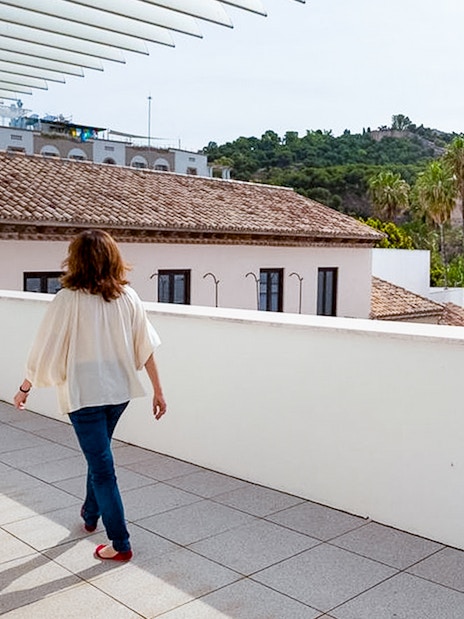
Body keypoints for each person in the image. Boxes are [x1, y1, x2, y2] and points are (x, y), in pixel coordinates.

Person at [13, 229, 167, 562]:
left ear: (76, 259)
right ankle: (89, 514)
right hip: (118, 394)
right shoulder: (128, 296)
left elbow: (44, 350)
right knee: (99, 457)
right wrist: (157, 390)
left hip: (84, 397)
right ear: (113, 258)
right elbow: (146, 347)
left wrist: (25, 387)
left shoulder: (67, 299)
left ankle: (120, 544)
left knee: (102, 468)